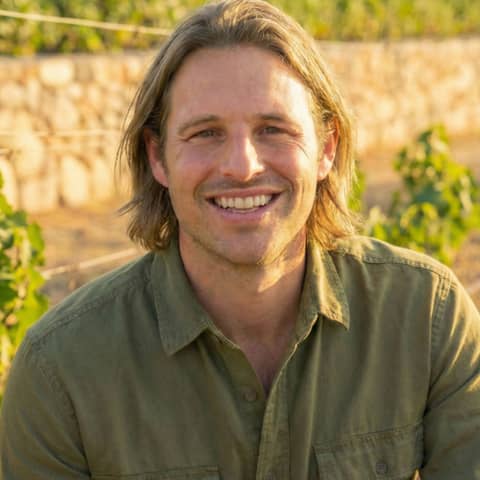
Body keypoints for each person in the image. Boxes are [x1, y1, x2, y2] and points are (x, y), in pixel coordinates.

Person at [1, 0, 479, 478]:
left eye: (273, 129)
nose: (242, 166)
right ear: (158, 157)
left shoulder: (427, 318)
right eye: (205, 133)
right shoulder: (61, 373)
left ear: (326, 149)